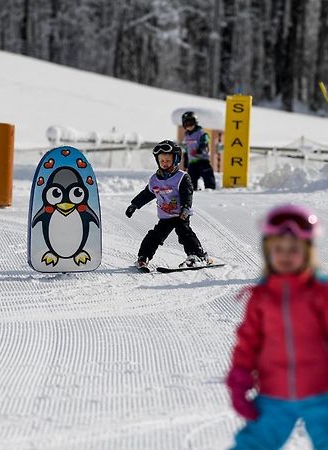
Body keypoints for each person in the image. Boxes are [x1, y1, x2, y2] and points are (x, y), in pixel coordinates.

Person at [226, 204, 328, 449]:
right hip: (274, 394)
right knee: (253, 443)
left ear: (307, 252)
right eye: (278, 249)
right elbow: (248, 341)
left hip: (321, 393)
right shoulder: (261, 297)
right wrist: (240, 376)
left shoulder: (320, 293)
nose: (285, 255)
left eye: (293, 249)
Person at [125, 140, 210, 269]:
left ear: (175, 160)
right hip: (165, 216)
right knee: (154, 236)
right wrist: (134, 205)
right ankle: (143, 257)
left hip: (181, 214)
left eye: (168, 161)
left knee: (185, 233)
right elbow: (147, 194)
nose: (164, 164)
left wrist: (186, 208)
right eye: (162, 161)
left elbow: (187, 194)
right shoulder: (154, 180)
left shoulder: (182, 177)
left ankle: (196, 256)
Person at [181, 111, 216, 190]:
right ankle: (192, 191)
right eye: (187, 124)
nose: (189, 126)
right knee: (191, 179)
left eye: (191, 123)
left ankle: (210, 189)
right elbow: (187, 148)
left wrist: (200, 150)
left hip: (202, 160)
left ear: (195, 122)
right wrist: (186, 161)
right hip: (192, 162)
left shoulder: (201, 133)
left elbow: (205, 143)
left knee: (207, 175)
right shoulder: (187, 135)